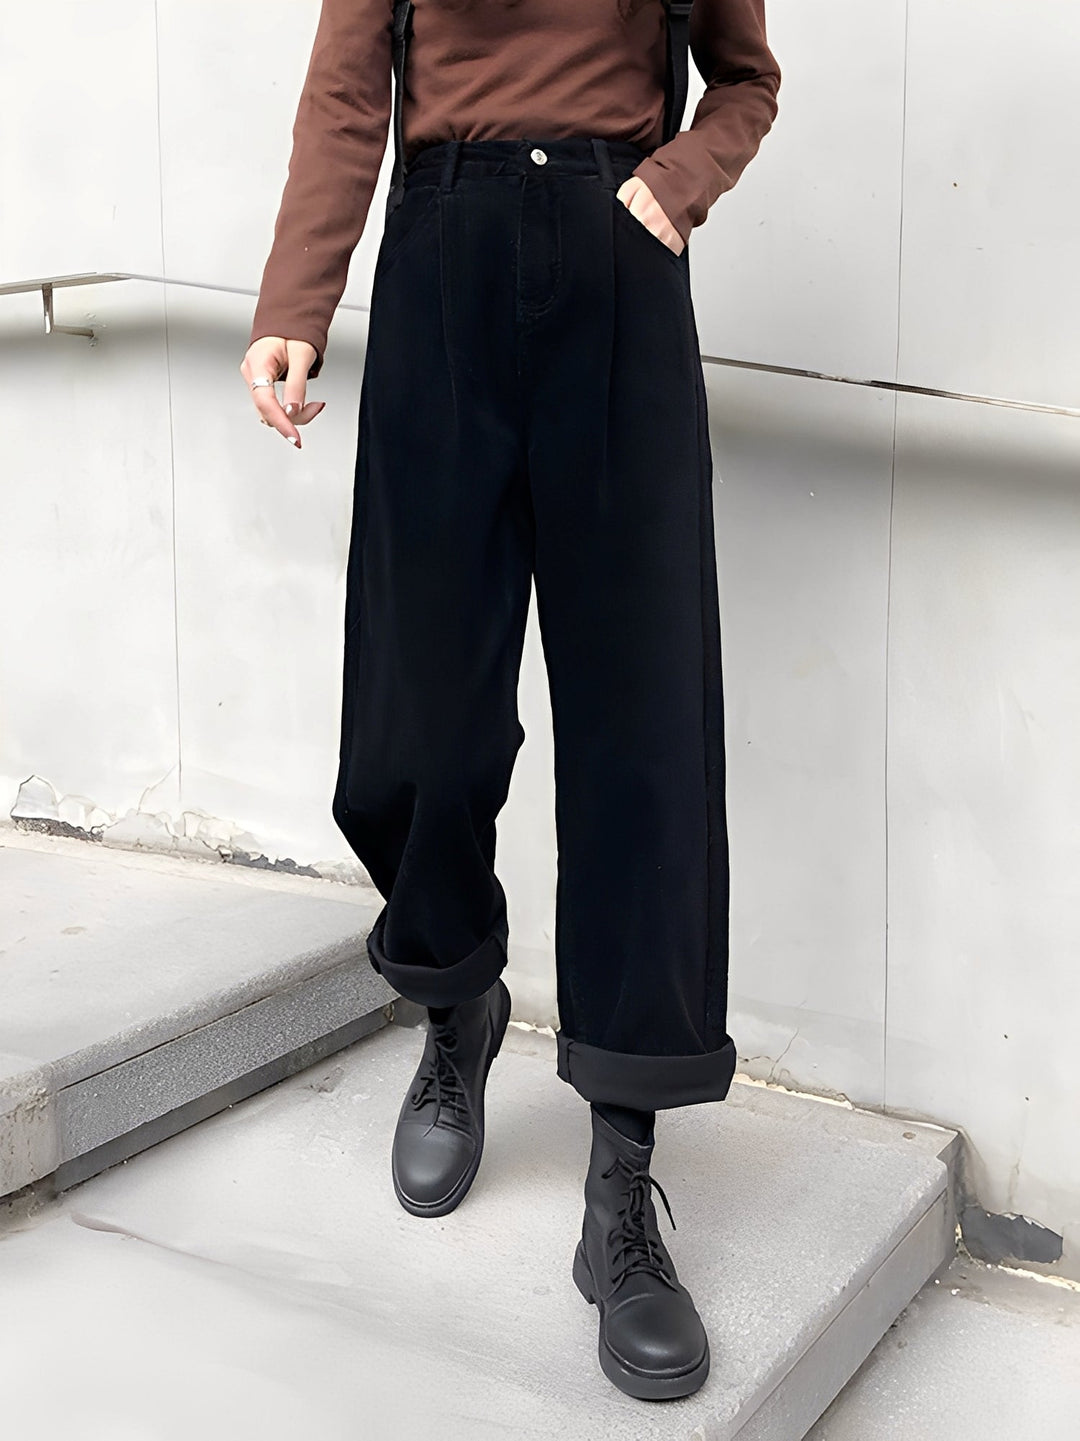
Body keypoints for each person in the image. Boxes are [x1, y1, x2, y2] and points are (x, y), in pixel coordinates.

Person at [240, 0, 780, 1403]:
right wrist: (296, 302)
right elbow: (348, 89)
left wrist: (674, 184)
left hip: (618, 270)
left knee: (643, 736)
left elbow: (745, 79)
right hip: (442, 267)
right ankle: (455, 998)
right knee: (417, 717)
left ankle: (622, 1183)